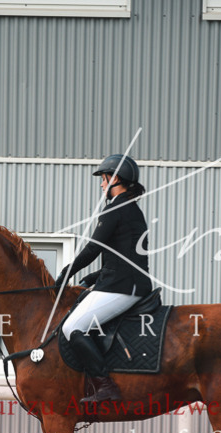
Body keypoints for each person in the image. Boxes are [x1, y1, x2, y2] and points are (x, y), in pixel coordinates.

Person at [57, 154, 152, 404]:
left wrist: (66, 272)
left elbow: (92, 249)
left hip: (122, 287)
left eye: (103, 178)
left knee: (72, 327)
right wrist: (93, 276)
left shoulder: (116, 209)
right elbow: (124, 256)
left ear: (115, 178)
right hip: (126, 281)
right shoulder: (132, 209)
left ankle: (104, 385)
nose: (101, 184)